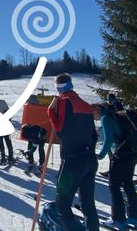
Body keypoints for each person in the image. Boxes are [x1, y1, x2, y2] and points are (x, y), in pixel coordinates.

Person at [47, 73, 98, 231]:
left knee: (62, 204)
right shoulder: (84, 104)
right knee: (88, 204)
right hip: (89, 158)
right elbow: (93, 135)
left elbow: (61, 130)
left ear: (59, 87)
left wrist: (50, 112)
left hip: (72, 161)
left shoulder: (65, 102)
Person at [93, 103, 137, 230]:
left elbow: (108, 139)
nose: (93, 117)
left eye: (92, 113)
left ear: (97, 110)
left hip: (121, 154)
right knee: (128, 184)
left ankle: (118, 219)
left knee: (114, 186)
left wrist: (101, 155)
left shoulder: (106, 119)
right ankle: (135, 217)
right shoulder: (116, 116)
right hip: (132, 152)